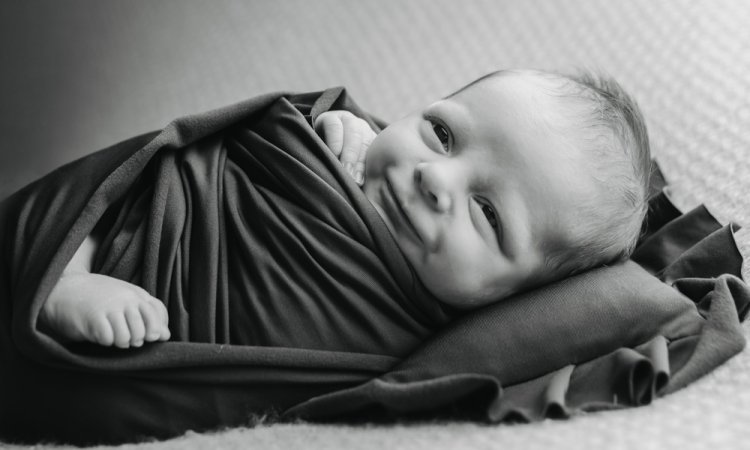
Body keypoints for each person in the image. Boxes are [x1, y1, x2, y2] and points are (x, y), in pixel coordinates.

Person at [39, 69, 651, 349]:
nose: (436, 178)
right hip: (141, 228)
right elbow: (205, 168)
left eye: (488, 214)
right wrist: (335, 132)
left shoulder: (424, 337)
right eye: (441, 133)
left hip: (175, 327)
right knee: (123, 194)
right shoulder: (344, 151)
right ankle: (61, 276)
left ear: (516, 296)